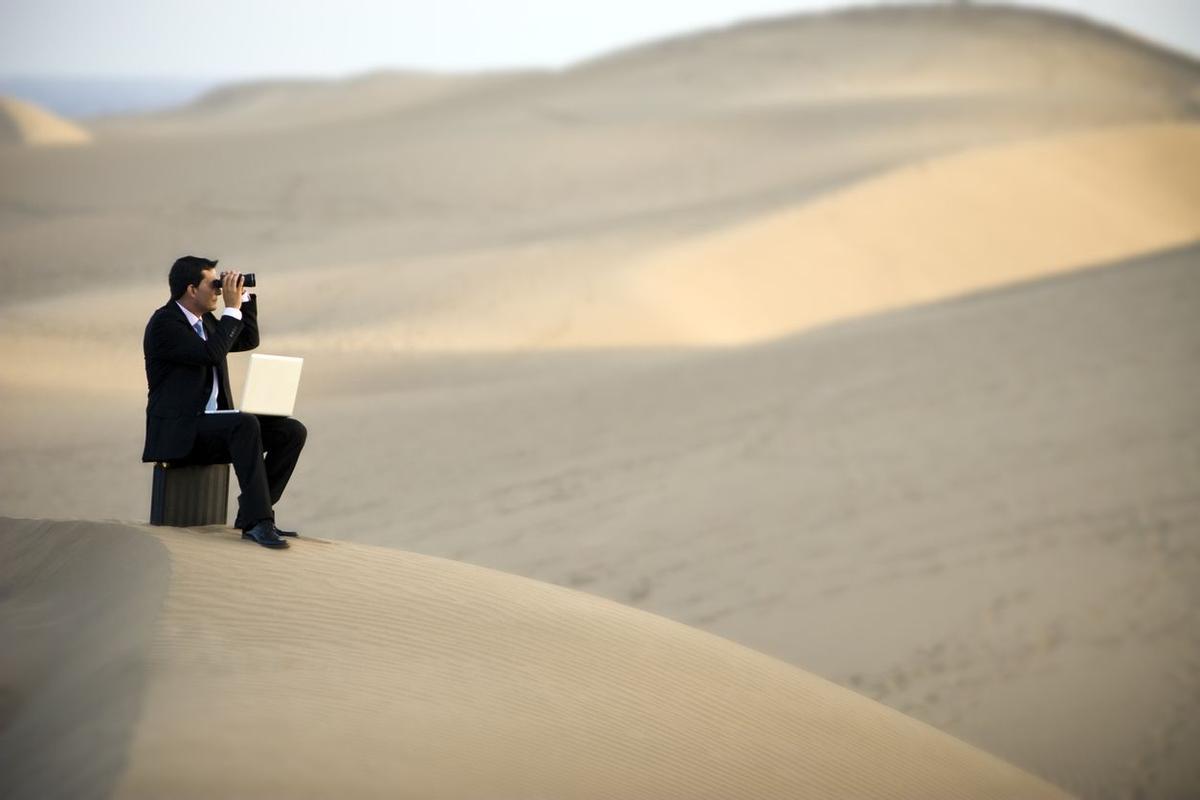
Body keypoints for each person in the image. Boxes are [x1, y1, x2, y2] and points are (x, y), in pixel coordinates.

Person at [142, 255, 306, 549]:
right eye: (213, 284)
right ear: (192, 290)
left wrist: (243, 300)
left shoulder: (206, 321)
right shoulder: (165, 324)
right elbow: (211, 354)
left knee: (291, 431)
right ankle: (259, 523)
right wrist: (230, 309)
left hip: (213, 429)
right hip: (181, 431)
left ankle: (254, 514)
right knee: (243, 424)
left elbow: (245, 340)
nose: (219, 290)